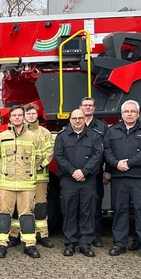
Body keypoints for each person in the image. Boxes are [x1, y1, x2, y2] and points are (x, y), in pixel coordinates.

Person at [104, 100, 141, 262]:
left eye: (132, 111)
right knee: (119, 211)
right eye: (126, 111)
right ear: (121, 114)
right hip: (120, 178)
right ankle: (119, 244)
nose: (129, 114)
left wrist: (129, 163)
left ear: (138, 113)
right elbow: (106, 150)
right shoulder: (112, 131)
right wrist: (115, 164)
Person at [0, 104, 42, 259]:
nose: (17, 118)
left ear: (24, 117)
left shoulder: (34, 138)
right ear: (10, 118)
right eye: (14, 116)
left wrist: (30, 171)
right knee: (4, 214)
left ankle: (29, 245)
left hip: (27, 184)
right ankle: (1, 245)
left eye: (20, 115)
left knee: (27, 215)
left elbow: (39, 157)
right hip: (5, 185)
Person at [54, 109, 103, 257]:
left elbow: (98, 156)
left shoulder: (94, 136)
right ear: (70, 120)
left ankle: (85, 244)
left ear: (84, 119)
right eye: (74, 118)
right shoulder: (62, 137)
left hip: (88, 180)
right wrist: (73, 171)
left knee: (87, 212)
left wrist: (84, 172)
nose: (77, 121)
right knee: (69, 212)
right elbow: (59, 156)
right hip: (69, 180)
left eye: (80, 118)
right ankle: (70, 243)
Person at [25, 105, 55, 248]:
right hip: (22, 178)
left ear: (37, 115)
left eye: (33, 113)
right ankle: (15, 235)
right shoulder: (19, 131)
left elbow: (50, 152)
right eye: (28, 113)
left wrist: (39, 166)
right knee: (22, 207)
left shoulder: (45, 133)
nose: (31, 116)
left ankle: (42, 235)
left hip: (40, 176)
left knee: (41, 206)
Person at [80, 97, 109, 247]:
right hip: (78, 174)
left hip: (96, 173)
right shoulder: (75, 123)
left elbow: (108, 150)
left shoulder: (102, 126)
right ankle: (82, 233)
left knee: (96, 204)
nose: (88, 108)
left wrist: (107, 171)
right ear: (80, 107)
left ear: (94, 108)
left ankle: (96, 235)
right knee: (80, 205)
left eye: (90, 105)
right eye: (85, 105)